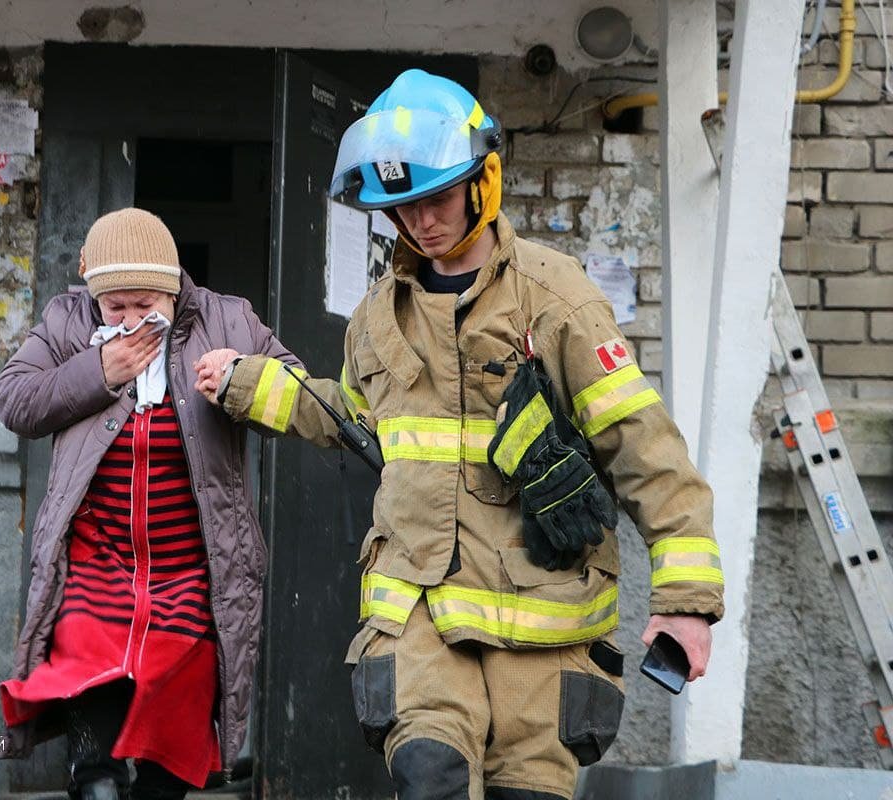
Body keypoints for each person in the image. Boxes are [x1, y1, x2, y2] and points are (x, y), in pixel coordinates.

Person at [195, 69, 725, 800]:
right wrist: (250, 385)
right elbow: (356, 422)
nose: (421, 223)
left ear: (486, 178)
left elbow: (647, 451)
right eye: (402, 208)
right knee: (430, 779)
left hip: (547, 632)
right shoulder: (378, 316)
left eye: (437, 198)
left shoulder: (556, 300)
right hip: (420, 616)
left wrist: (688, 601)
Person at [0, 207, 299, 800]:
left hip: (191, 575)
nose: (132, 320)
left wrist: (242, 378)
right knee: (97, 769)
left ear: (173, 286)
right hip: (96, 564)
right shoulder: (65, 321)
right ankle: (95, 780)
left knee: (166, 769)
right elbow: (15, 400)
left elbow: (297, 391)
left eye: (146, 305)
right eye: (117, 308)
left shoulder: (225, 319)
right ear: (95, 297)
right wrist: (97, 370)